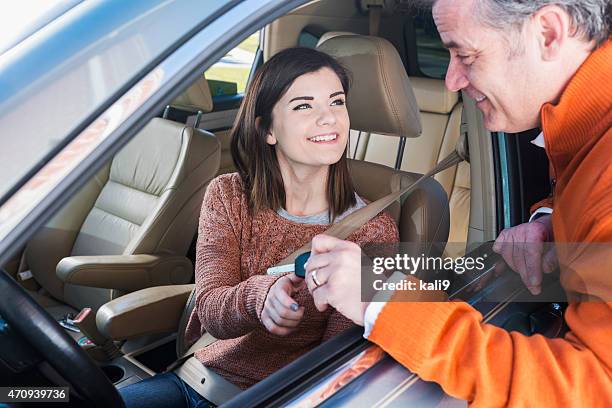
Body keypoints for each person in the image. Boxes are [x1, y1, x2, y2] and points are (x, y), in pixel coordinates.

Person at [304, 0, 612, 405]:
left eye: (465, 54)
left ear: (548, 33)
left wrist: (383, 302)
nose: (451, 80)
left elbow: (592, 390)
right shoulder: (585, 129)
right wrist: (551, 223)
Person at [119, 47, 399, 407]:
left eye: (337, 102)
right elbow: (209, 307)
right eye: (304, 106)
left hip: (279, 398)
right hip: (197, 380)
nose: (329, 118)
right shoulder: (227, 195)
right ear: (268, 129)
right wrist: (259, 297)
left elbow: (336, 360)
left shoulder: (374, 231)